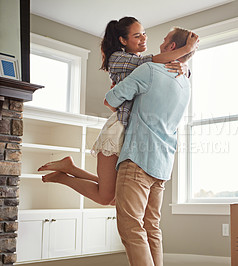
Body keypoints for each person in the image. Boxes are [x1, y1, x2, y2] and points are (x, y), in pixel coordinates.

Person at [37, 17, 198, 206]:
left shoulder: (143, 63)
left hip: (132, 132)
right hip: (119, 130)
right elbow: (153, 63)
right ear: (123, 40)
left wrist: (185, 68)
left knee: (117, 194)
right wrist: (187, 51)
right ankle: (64, 177)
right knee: (108, 197)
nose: (144, 38)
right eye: (137, 35)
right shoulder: (120, 58)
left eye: (144, 33)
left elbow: (161, 67)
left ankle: (69, 167)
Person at [103, 26, 196, 266]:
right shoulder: (185, 82)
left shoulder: (149, 70)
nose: (160, 42)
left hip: (138, 160)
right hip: (163, 165)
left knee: (131, 227)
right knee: (151, 226)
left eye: (164, 40)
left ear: (171, 47)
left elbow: (110, 100)